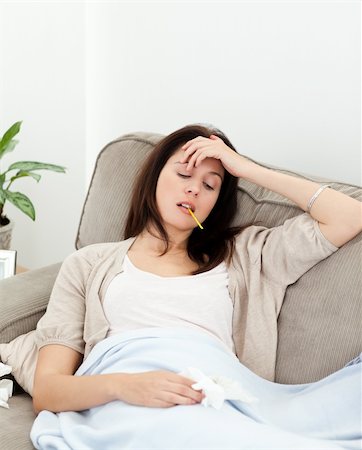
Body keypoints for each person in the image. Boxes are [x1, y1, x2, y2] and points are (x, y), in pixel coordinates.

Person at [31, 124, 362, 449]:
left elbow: (350, 217)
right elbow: (48, 390)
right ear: (154, 177)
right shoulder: (89, 264)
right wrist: (124, 386)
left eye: (210, 185)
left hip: (212, 396)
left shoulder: (247, 255)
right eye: (183, 175)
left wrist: (246, 168)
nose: (194, 190)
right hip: (133, 401)